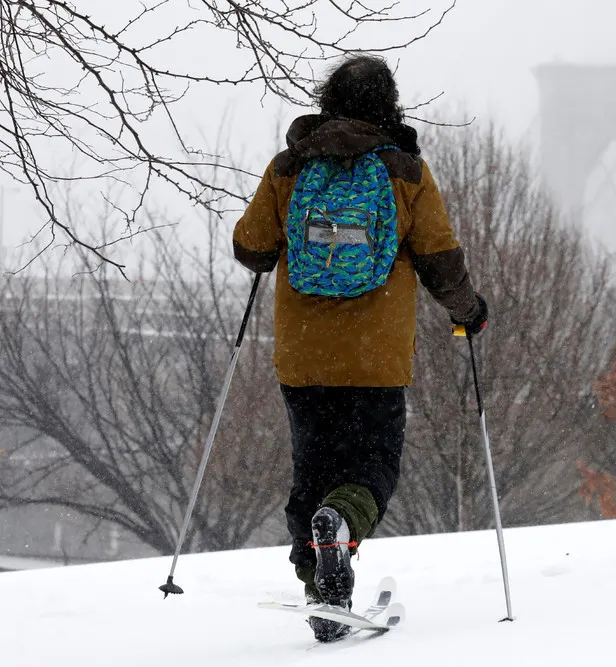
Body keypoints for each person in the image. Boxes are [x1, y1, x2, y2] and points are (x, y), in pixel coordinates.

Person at [232, 54, 488, 642]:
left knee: (312, 470)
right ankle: (341, 524)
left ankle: (320, 590)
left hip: (302, 356)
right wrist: (468, 311)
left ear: (328, 99)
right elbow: (440, 260)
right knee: (370, 472)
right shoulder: (406, 173)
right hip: (375, 358)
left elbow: (252, 249)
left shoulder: (289, 168)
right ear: (389, 105)